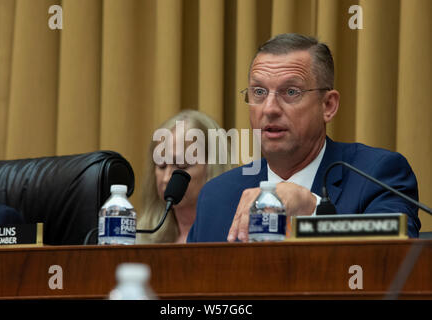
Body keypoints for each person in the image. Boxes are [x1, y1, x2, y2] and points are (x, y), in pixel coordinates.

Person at [187, 33, 421, 242]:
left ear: (328, 105)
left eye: (291, 92)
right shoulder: (217, 195)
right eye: (258, 92)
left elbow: (394, 259)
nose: (269, 109)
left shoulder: (377, 175)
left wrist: (313, 209)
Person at [137, 110, 235, 244]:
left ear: (213, 166)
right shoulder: (143, 237)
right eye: (161, 165)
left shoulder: (235, 236)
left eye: (181, 165)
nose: (166, 178)